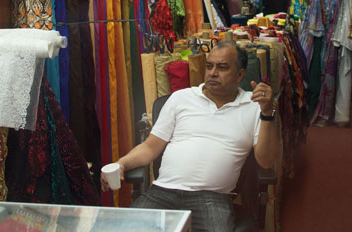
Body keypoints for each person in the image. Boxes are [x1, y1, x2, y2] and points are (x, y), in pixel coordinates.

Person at [101, 40, 280, 232]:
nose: (212, 73)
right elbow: (150, 146)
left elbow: (266, 161)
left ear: (240, 75)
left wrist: (267, 113)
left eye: (222, 67)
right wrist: (122, 163)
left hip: (213, 198)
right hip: (162, 192)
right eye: (209, 66)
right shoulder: (181, 98)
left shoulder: (254, 106)